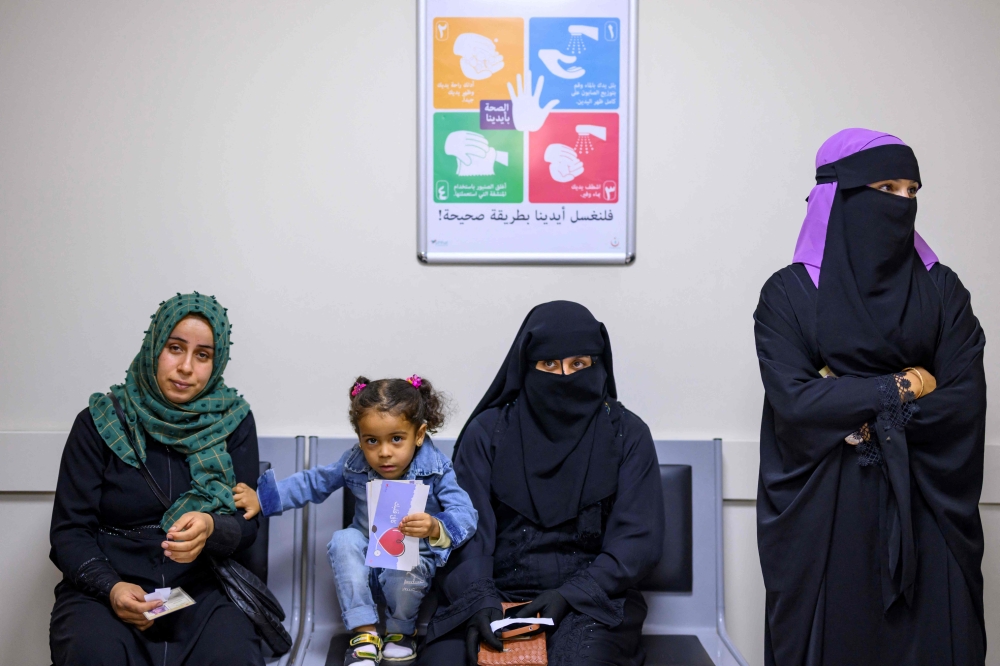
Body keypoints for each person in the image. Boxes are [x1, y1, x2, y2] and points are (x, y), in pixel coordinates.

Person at [754, 129, 987, 665]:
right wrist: (904, 384)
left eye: (912, 191)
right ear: (841, 197)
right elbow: (796, 403)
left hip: (928, 514)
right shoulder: (788, 297)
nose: (903, 203)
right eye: (887, 187)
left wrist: (848, 400)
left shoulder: (943, 291)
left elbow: (961, 403)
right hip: (824, 520)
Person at [419, 301, 665, 666]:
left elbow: (637, 539)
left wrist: (571, 594)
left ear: (598, 365)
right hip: (490, 590)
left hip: (592, 598)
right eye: (549, 364)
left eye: (579, 364)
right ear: (526, 366)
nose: (565, 377)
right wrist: (480, 600)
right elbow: (465, 531)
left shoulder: (627, 434)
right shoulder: (488, 433)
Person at [49, 293, 265, 665]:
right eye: (175, 348)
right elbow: (69, 532)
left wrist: (212, 526)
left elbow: (246, 526)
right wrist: (111, 587)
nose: (185, 367)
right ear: (154, 347)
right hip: (106, 590)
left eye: (202, 355)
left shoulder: (234, 422)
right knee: (92, 652)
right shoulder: (99, 422)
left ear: (217, 362)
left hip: (200, 592)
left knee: (235, 654)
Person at [234, 375, 478, 666]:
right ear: (360, 437)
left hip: (411, 562)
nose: (384, 452)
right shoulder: (355, 461)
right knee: (344, 539)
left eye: (397, 439)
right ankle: (364, 633)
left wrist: (435, 526)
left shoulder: (436, 469)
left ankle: (400, 632)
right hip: (365, 559)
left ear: (420, 434)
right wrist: (262, 499)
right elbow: (315, 482)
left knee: (404, 561)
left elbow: (466, 514)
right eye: (371, 440)